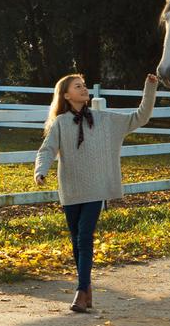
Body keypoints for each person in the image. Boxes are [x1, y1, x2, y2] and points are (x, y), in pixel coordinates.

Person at [34, 72, 158, 313]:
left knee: (84, 236)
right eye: (77, 86)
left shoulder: (105, 120)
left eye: (84, 85)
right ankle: (87, 288)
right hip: (70, 188)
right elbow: (47, 149)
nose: (83, 89)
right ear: (66, 95)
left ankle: (81, 291)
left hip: (96, 187)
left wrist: (150, 89)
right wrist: (40, 170)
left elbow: (140, 117)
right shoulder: (60, 123)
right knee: (76, 241)